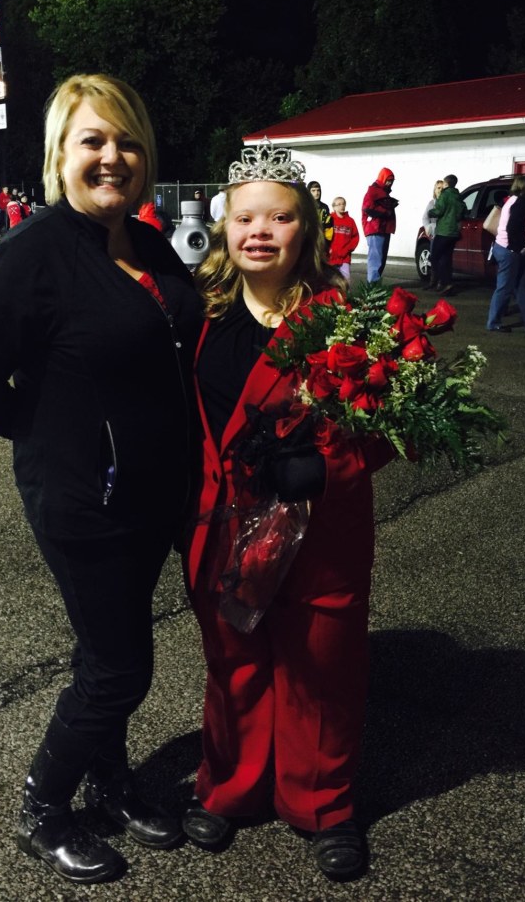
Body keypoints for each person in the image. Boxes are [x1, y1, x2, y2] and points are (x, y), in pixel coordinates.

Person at [0, 73, 203, 885]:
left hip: (156, 492)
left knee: (114, 649)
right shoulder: (30, 255)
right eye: (93, 139)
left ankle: (112, 780)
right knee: (120, 666)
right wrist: (62, 440)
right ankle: (43, 803)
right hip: (82, 498)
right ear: (60, 153)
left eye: (126, 140)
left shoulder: (151, 243)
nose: (113, 156)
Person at [181, 145, 396, 883]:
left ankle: (325, 804)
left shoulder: (343, 320)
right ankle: (230, 787)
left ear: (306, 229)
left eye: (279, 216)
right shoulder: (201, 318)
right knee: (233, 663)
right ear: (225, 227)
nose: (260, 231)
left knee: (323, 665)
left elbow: (394, 427)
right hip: (224, 525)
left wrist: (330, 465)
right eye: (245, 216)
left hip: (322, 529)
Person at [485, 175, 525, 333]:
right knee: (504, 288)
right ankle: (493, 323)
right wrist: (519, 246)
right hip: (510, 251)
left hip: (506, 248)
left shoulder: (512, 200)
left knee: (521, 286)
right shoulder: (520, 204)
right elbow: (513, 228)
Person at [427, 174, 465, 295]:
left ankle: (445, 282)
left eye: (443, 183)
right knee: (446, 258)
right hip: (454, 232)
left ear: (446, 184)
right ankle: (446, 283)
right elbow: (462, 212)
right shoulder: (458, 197)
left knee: (435, 257)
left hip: (444, 231)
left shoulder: (445, 195)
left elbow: (439, 210)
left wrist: (430, 212)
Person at [361, 168, 398, 282]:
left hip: (382, 229)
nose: (389, 183)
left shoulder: (380, 191)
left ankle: (374, 285)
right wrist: (385, 211)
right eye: (388, 180)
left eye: (391, 181)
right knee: (376, 259)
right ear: (382, 179)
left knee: (380, 258)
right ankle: (372, 286)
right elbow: (367, 208)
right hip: (376, 229)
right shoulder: (373, 191)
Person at [328, 195, 360, 281]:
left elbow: (355, 237)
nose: (341, 206)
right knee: (331, 281)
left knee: (345, 280)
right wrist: (327, 249)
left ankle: (345, 295)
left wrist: (348, 249)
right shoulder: (330, 219)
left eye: (343, 204)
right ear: (334, 207)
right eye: (338, 204)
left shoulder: (350, 221)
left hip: (345, 257)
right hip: (331, 257)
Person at [421, 180, 444, 288]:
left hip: (444, 232)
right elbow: (425, 217)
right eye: (438, 188)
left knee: (442, 258)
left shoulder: (445, 202)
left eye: (442, 188)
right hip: (435, 233)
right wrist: (428, 227)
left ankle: (441, 281)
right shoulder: (432, 203)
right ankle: (433, 280)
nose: (440, 190)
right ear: (434, 190)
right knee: (434, 257)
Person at [307, 180, 333, 244]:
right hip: (306, 239)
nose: (316, 193)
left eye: (318, 190)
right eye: (313, 191)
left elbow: (328, 225)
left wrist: (327, 242)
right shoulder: (304, 206)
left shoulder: (324, 207)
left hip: (321, 240)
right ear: (309, 192)